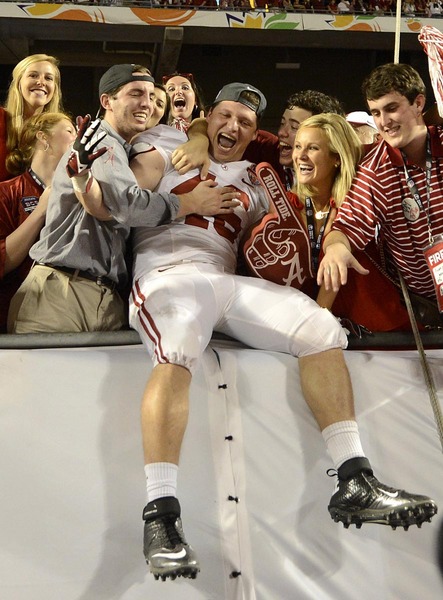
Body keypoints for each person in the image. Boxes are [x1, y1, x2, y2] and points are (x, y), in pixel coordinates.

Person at [122, 83, 436, 581]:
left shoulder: (258, 176)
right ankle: (160, 514)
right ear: (207, 116)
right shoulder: (163, 145)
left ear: (256, 133)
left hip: (226, 280)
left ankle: (354, 478)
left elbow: (309, 163)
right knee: (179, 345)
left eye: (245, 122)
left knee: (319, 327)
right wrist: (192, 163)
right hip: (168, 273)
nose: (234, 127)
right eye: (223, 116)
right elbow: (122, 200)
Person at [7, 64, 236, 334]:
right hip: (61, 291)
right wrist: (190, 203)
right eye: (136, 93)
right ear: (107, 101)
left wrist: (198, 131)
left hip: (101, 296)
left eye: (151, 96)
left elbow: (107, 210)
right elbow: (128, 205)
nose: (147, 104)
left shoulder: (127, 150)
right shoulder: (101, 139)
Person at [242, 112, 411, 332]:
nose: (301, 156)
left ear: (336, 158)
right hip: (310, 331)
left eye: (313, 148)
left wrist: (315, 327)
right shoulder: (286, 206)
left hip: (380, 334)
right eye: (298, 146)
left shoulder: (358, 205)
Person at [318, 63, 443, 328]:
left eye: (391, 108)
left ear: (419, 103)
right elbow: (347, 227)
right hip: (425, 306)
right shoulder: (374, 171)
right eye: (375, 112)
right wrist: (336, 249)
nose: (384, 122)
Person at [0, 111, 76, 332]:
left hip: (71, 311)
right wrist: (41, 210)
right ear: (43, 137)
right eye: (70, 130)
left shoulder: (83, 193)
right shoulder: (7, 192)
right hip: (16, 318)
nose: (77, 137)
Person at [0, 54, 63, 183]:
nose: (41, 82)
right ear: (18, 82)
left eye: (48, 78)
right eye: (33, 75)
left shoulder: (59, 132)